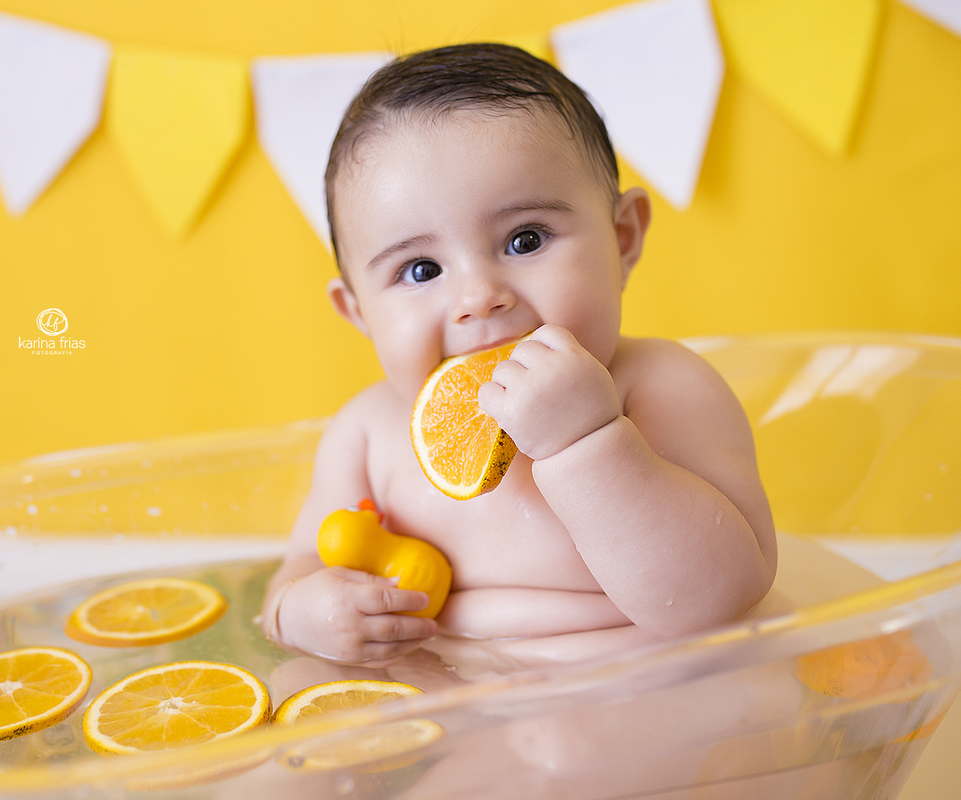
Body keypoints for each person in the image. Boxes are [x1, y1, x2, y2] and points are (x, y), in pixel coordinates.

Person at [259, 42, 776, 671]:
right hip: (457, 713)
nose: (478, 298)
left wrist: (588, 443)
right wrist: (301, 614)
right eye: (421, 269)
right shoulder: (366, 435)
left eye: (524, 239)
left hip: (651, 697)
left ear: (623, 238)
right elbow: (301, 569)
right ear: (359, 311)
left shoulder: (663, 389)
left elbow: (717, 601)